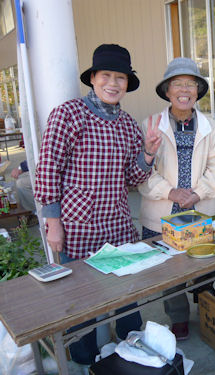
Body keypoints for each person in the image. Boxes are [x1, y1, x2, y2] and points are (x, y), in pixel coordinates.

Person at [34, 44, 162, 365]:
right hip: (76, 225)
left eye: (121, 77)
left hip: (118, 224)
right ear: (93, 78)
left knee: (127, 292)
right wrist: (52, 222)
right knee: (82, 298)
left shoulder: (128, 124)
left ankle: (131, 347)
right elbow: (48, 168)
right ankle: (84, 355)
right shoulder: (68, 114)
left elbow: (133, 178)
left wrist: (147, 153)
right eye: (106, 75)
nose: (114, 83)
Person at [138, 57, 215, 340]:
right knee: (169, 272)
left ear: (198, 91)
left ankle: (208, 310)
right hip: (161, 214)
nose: (184, 90)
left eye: (190, 84)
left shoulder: (210, 126)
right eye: (177, 84)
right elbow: (140, 168)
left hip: (199, 210)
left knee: (205, 264)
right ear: (167, 90)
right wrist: (171, 192)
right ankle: (177, 317)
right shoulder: (149, 124)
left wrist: (198, 192)